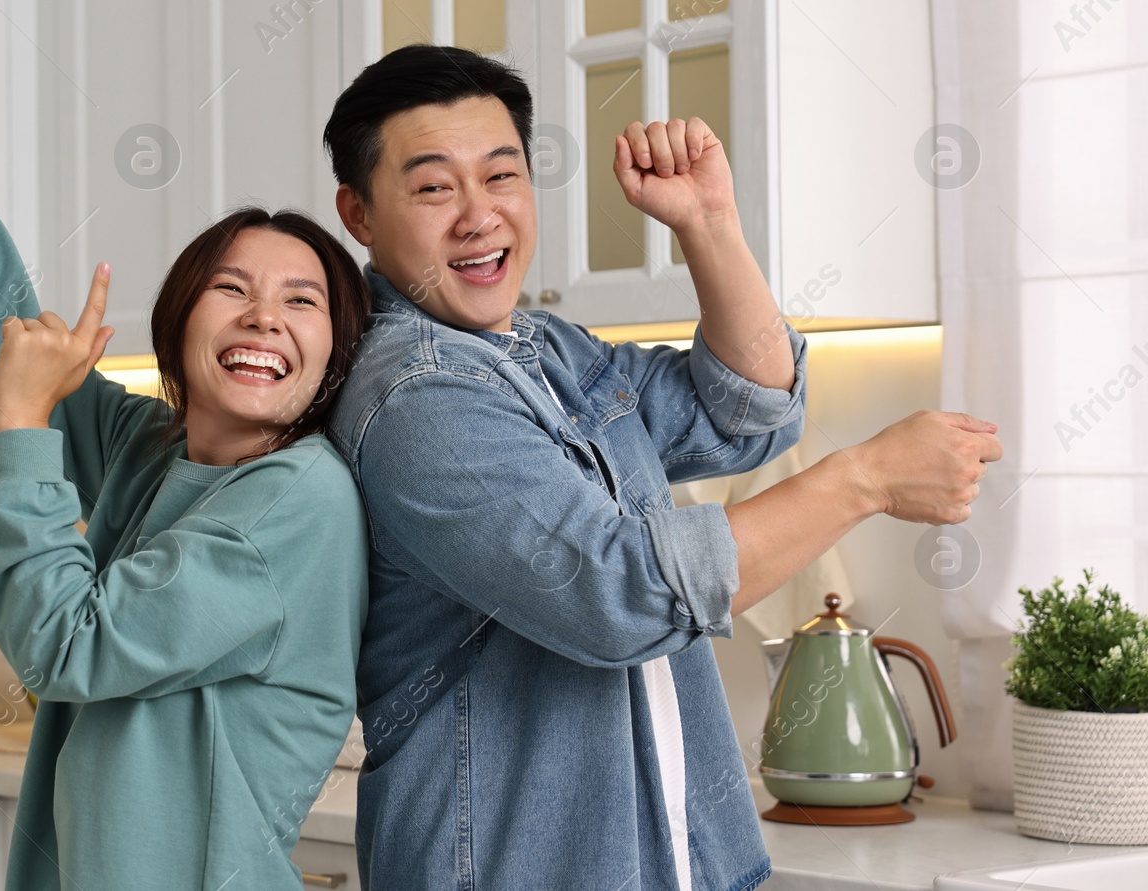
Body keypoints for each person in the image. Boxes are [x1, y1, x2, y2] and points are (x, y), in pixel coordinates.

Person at [321, 44, 1004, 890]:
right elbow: (618, 595)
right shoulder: (417, 399)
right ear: (360, 212)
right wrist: (861, 479)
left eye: (501, 176)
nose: (479, 214)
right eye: (433, 187)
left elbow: (747, 412)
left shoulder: (543, 351)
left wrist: (709, 224)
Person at [0, 0, 372, 890]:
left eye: (303, 301)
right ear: (181, 322)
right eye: (232, 287)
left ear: (337, 353)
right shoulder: (156, 447)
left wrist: (24, 427)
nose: (265, 313)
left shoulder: (297, 499)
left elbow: (69, 644)